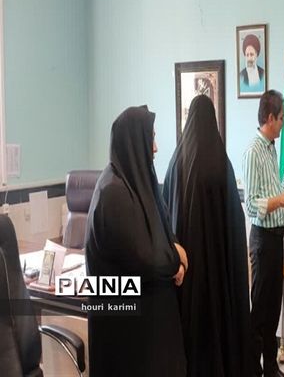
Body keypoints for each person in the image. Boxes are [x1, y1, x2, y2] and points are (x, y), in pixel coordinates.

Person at [85, 105, 187, 377]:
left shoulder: (135, 182)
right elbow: (146, 258)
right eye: (150, 138)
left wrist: (173, 255)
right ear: (133, 142)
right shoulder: (113, 192)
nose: (155, 148)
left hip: (148, 330)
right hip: (128, 338)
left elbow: (162, 226)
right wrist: (176, 258)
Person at [163, 95, 250, 377]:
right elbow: (234, 223)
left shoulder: (176, 162)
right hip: (217, 272)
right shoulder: (220, 163)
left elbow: (165, 214)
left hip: (185, 271)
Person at [242, 90, 284, 377]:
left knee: (272, 309)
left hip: (276, 239)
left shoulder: (270, 148)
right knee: (260, 312)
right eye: (280, 118)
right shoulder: (253, 152)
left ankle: (270, 368)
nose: (283, 123)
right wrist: (281, 201)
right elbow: (251, 204)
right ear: (269, 118)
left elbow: (272, 191)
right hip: (263, 241)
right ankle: (252, 370)